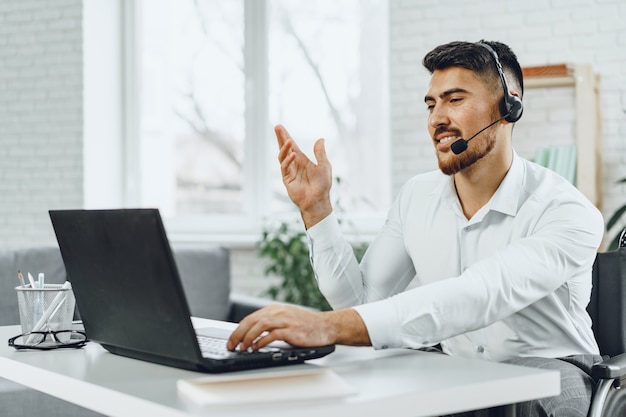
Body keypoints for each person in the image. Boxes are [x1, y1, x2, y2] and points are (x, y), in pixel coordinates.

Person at [227, 40, 604, 416]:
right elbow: (359, 305)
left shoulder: (567, 211)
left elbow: (481, 294)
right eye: (431, 103)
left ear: (509, 106)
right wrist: (317, 209)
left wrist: (326, 326)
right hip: (460, 372)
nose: (437, 118)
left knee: (541, 398)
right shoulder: (417, 196)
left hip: (551, 368)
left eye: (454, 100)